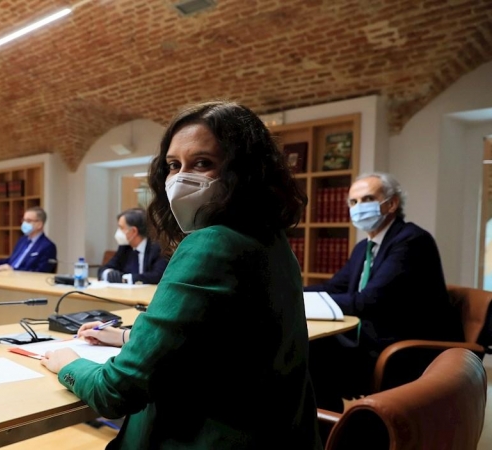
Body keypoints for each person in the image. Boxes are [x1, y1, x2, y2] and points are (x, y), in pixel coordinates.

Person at [39, 101, 319, 448]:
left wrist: (68, 363)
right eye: (174, 165)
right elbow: (219, 341)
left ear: (245, 171)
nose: (181, 177)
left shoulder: (211, 244)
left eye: (203, 163)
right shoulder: (272, 241)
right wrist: (128, 337)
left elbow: (114, 392)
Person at [304, 172, 462, 412]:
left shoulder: (411, 240)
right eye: (353, 202)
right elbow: (333, 287)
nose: (358, 208)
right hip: (372, 339)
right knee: (309, 350)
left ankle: (329, 434)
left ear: (392, 204)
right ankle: (327, 430)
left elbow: (370, 301)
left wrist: (313, 304)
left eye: (367, 199)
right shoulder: (363, 248)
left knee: (313, 355)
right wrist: (295, 293)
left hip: (403, 348)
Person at [98, 208, 168, 284]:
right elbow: (103, 269)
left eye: (121, 228)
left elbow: (158, 275)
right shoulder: (125, 247)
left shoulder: (157, 248)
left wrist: (126, 278)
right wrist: (108, 273)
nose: (118, 232)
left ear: (134, 231)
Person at [0, 206, 57, 273]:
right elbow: (11, 260)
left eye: (28, 221)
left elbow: (41, 272)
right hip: (9, 278)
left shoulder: (48, 246)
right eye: (23, 220)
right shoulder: (22, 240)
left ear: (39, 224)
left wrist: (13, 271)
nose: (24, 223)